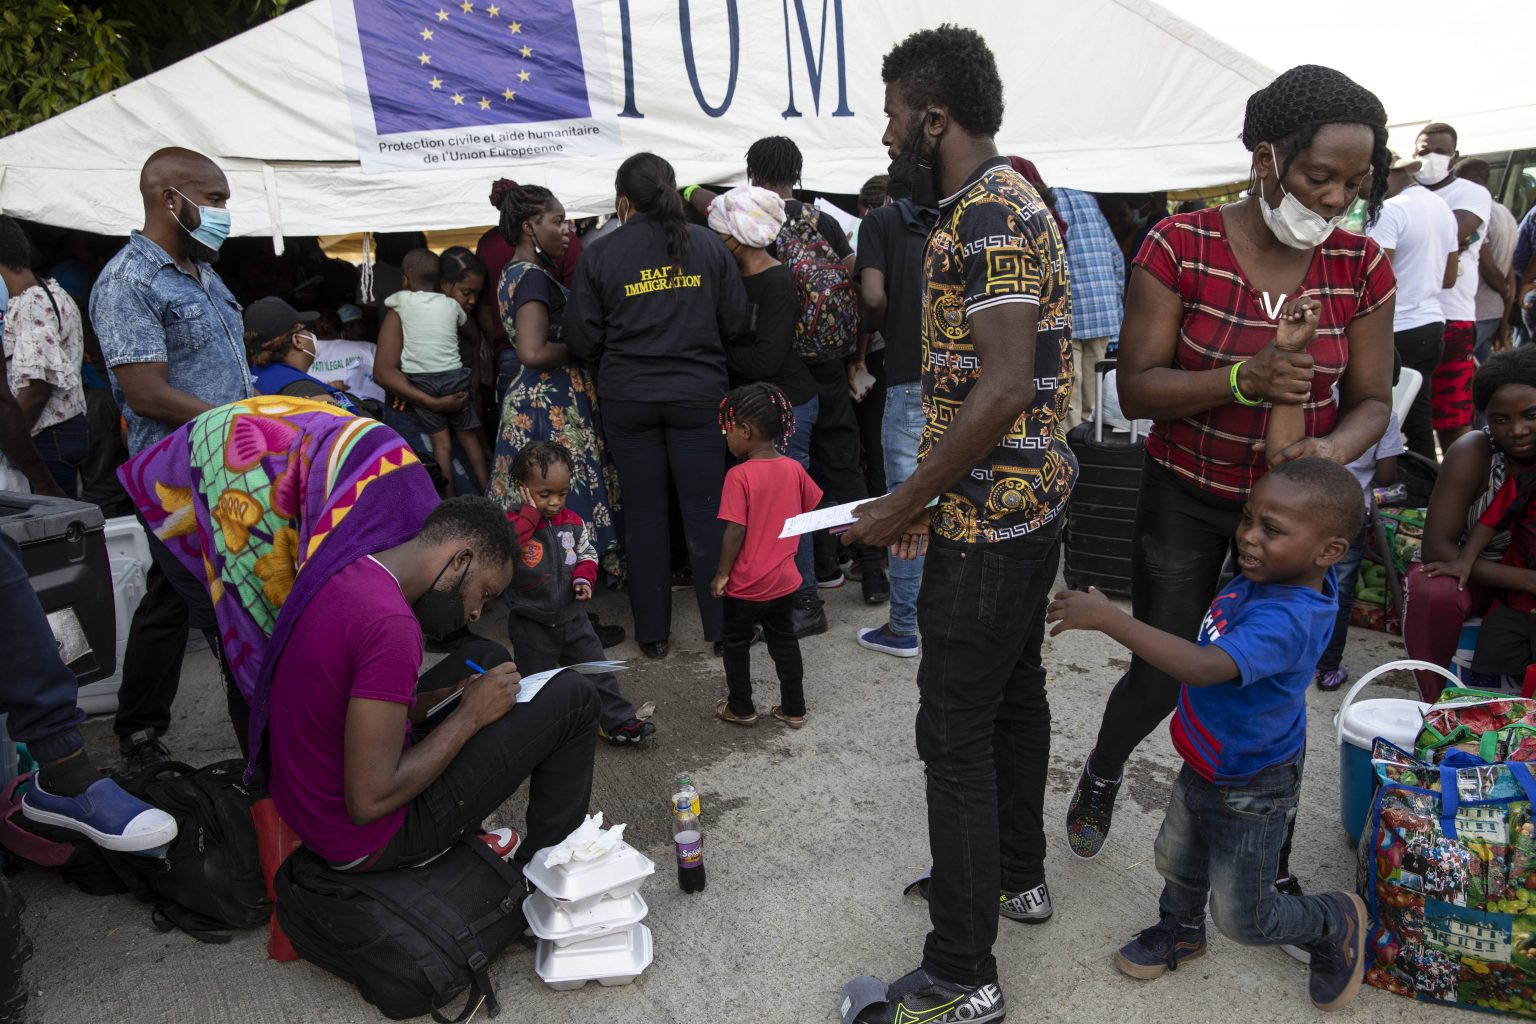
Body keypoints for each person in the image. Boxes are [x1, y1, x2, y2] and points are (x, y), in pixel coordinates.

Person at [1063, 65, 1396, 862]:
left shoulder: (1361, 266)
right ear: (1265, 158)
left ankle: (1263, 845)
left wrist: (1332, 452)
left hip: (1295, 518)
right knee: (1160, 668)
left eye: (1354, 185)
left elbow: (1373, 401)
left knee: (1271, 678)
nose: (1335, 200)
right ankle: (1105, 768)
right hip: (1188, 494)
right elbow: (1137, 388)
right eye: (1319, 177)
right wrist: (1246, 379)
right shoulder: (1181, 244)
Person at [840, 26, 1075, 1023]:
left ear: (933, 117)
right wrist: (925, 498)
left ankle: (960, 971)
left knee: (953, 732)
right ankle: (1015, 874)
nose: (888, 131)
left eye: (895, 113)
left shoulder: (986, 213)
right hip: (1021, 505)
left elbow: (1006, 384)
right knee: (1012, 695)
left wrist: (906, 500)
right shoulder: (1005, 199)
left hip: (992, 523)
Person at [1045, 458, 1369, 1012]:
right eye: (1248, 518)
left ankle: (1332, 918)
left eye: (1271, 529)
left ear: (1329, 552)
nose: (1248, 536)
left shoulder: (1289, 617)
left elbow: (1200, 668)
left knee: (1246, 917)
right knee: (1177, 858)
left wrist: (1110, 618)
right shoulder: (1279, 572)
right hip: (1207, 757)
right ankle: (1181, 929)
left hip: (1253, 782)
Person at [267, 495, 599, 871]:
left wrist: (450, 697)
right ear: (461, 560)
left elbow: (356, 706)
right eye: (484, 594)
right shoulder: (392, 626)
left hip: (309, 805)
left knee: (489, 656)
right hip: (368, 839)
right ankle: (545, 877)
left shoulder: (353, 570)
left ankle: (469, 834)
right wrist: (469, 715)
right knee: (575, 697)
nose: (476, 612)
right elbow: (368, 801)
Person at [89, 146, 253, 770]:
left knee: (168, 597)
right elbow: (145, 392)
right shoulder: (128, 282)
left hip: (227, 464)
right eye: (214, 200)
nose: (224, 213)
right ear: (170, 199)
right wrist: (242, 423)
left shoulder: (204, 273)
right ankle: (261, 751)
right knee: (222, 608)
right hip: (177, 479)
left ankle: (138, 728)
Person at [565, 152, 751, 659]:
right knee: (706, 510)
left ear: (623, 200)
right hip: (699, 396)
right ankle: (722, 629)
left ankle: (652, 635)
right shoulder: (708, 246)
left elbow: (581, 338)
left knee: (644, 514)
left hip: (629, 398)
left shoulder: (601, 254)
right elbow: (737, 323)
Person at [485, 181, 621, 580]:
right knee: (556, 494)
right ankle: (563, 588)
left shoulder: (515, 272)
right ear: (530, 226)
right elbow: (532, 351)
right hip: (547, 405)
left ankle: (553, 585)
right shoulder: (531, 277)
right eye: (558, 221)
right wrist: (585, 347)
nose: (568, 230)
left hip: (541, 399)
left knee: (539, 496)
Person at [706, 186, 825, 637]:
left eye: (719, 233)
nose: (715, 241)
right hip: (760, 406)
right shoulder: (733, 277)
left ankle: (806, 600)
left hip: (787, 406)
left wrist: (714, 352)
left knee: (789, 514)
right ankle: (776, 600)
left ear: (736, 236)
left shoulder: (776, 280)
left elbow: (766, 359)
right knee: (764, 514)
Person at [1406, 347, 1536, 698]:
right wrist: (1528, 581)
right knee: (1434, 588)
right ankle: (1434, 701)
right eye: (1501, 419)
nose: (1518, 430)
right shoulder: (1474, 452)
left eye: (1531, 415)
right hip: (1473, 573)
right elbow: (1437, 550)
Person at [503, 440, 652, 746]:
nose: (555, 502)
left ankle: (618, 721)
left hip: (573, 619)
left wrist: (583, 579)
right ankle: (538, 736)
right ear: (523, 489)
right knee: (535, 685)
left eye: (562, 493)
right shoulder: (512, 524)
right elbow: (505, 550)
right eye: (545, 494)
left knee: (597, 671)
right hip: (532, 623)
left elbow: (586, 555)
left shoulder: (572, 522)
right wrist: (530, 515)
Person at [852, 163, 937, 658]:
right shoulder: (961, 216)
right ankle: (945, 619)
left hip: (907, 379)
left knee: (907, 503)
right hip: (965, 387)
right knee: (955, 501)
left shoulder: (880, 223)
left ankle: (904, 626)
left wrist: (882, 322)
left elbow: (872, 295)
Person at [711, 383, 822, 728]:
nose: (727, 438)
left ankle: (741, 707)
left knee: (735, 644)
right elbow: (808, 509)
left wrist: (722, 573)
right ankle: (794, 709)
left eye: (728, 431)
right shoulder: (794, 468)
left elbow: (735, 530)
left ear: (745, 431)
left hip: (746, 582)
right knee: (784, 640)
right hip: (784, 579)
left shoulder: (738, 475)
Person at [1365, 154, 1459, 460]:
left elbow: (1374, 278)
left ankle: (1413, 481)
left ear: (1383, 175)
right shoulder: (1440, 206)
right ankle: (1428, 480)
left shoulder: (1390, 210)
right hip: (1431, 324)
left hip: (1397, 327)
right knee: (1418, 420)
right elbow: (1448, 278)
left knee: (1380, 417)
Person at [383, 249, 488, 495]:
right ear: (444, 284)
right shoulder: (406, 314)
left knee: (450, 455)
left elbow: (474, 368)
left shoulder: (418, 305)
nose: (472, 301)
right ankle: (462, 502)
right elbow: (383, 372)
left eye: (477, 294)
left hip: (447, 402)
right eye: (466, 292)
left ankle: (458, 503)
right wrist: (434, 403)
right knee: (453, 474)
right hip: (413, 412)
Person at [1415, 122, 1493, 453]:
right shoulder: (1404, 191)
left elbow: (1454, 234)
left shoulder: (1471, 193)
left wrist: (1408, 235)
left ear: (1455, 156)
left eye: (1441, 151)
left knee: (1451, 417)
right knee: (1404, 413)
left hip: (1453, 316)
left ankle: (1463, 480)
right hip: (1403, 319)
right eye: (1424, 150)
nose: (1431, 157)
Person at [0, 216, 89, 498]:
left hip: (45, 437)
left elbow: (36, 389)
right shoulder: (52, 293)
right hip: (61, 431)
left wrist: (12, 442)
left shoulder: (32, 305)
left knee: (51, 518)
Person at [1054, 188, 1126, 429]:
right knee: (1093, 393)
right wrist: (1115, 304)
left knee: (1069, 392)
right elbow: (1117, 258)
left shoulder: (1045, 199)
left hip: (1068, 312)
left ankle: (1071, 447)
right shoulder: (1088, 200)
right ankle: (1088, 441)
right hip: (1102, 309)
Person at [244, 296, 372, 414]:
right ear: (298, 341)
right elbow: (341, 426)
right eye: (309, 330)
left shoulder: (254, 376)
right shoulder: (306, 391)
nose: (313, 335)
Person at [1454, 158, 1518, 364]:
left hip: (1476, 311)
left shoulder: (1476, 214)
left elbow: (1489, 268)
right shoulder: (1505, 213)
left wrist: (1503, 289)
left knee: (1458, 370)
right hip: (1494, 311)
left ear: (1469, 181)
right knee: (1480, 374)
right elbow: (1510, 269)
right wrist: (1505, 308)